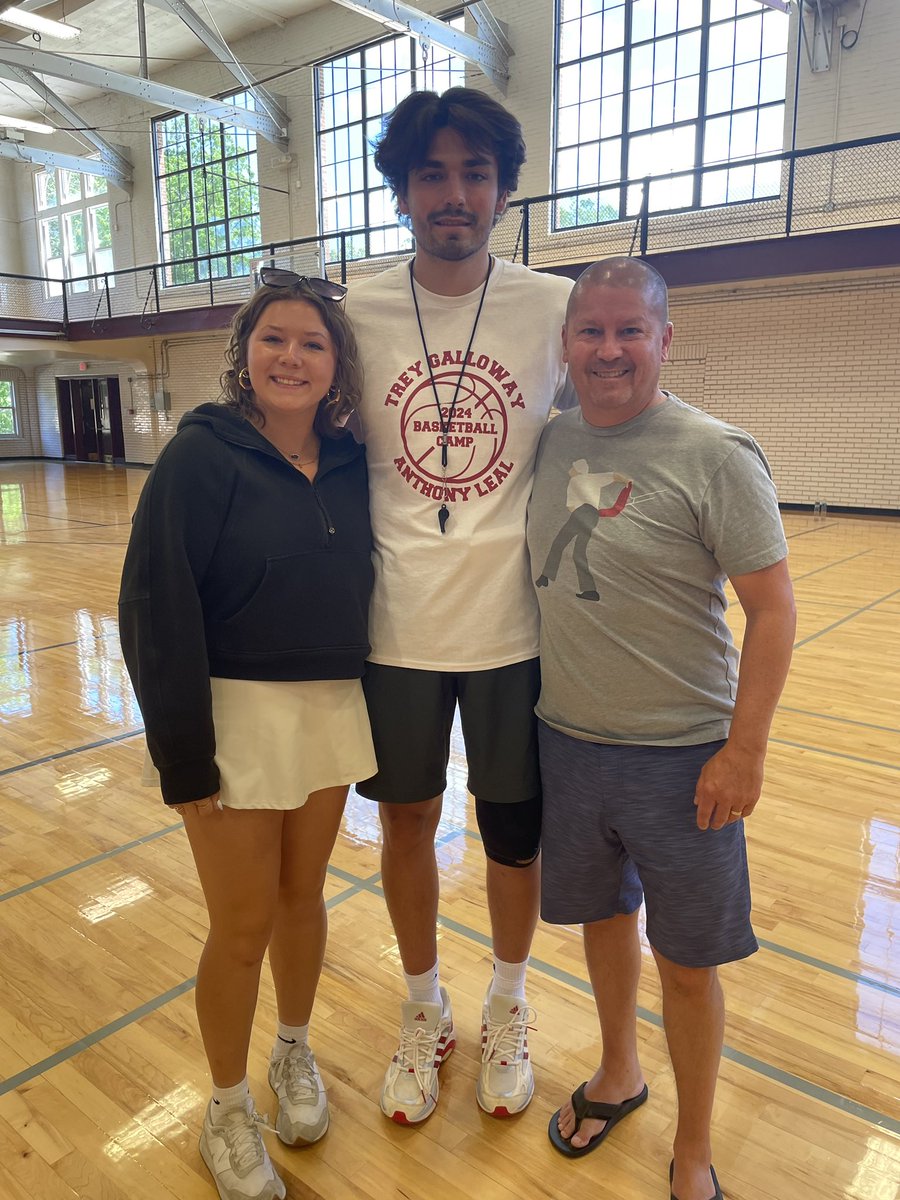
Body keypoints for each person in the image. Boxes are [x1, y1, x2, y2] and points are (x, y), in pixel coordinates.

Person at [527, 257, 796, 1200]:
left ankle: (693, 1146)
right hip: (567, 743)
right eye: (589, 332)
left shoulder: (716, 453)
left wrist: (745, 748)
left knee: (687, 966)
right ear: (565, 344)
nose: (608, 350)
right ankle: (618, 1072)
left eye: (627, 331)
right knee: (604, 924)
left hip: (685, 761)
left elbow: (773, 610)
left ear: (664, 340)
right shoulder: (550, 439)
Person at [118, 271, 375, 1200]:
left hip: (330, 706)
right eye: (274, 338)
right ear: (245, 352)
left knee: (304, 899)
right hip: (232, 718)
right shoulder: (200, 456)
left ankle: (293, 1055)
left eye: (312, 342)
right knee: (240, 926)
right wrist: (181, 752)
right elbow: (152, 604)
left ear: (336, 363)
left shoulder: (351, 459)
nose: (292, 357)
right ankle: (225, 1109)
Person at [345, 87, 573, 1124]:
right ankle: (424, 1004)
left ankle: (510, 1002)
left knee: (511, 835)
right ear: (400, 192)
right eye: (431, 172)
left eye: (474, 172)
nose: (454, 192)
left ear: (505, 189)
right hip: (395, 628)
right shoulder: (355, 310)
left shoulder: (553, 304)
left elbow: (626, 399)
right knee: (405, 821)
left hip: (513, 629)